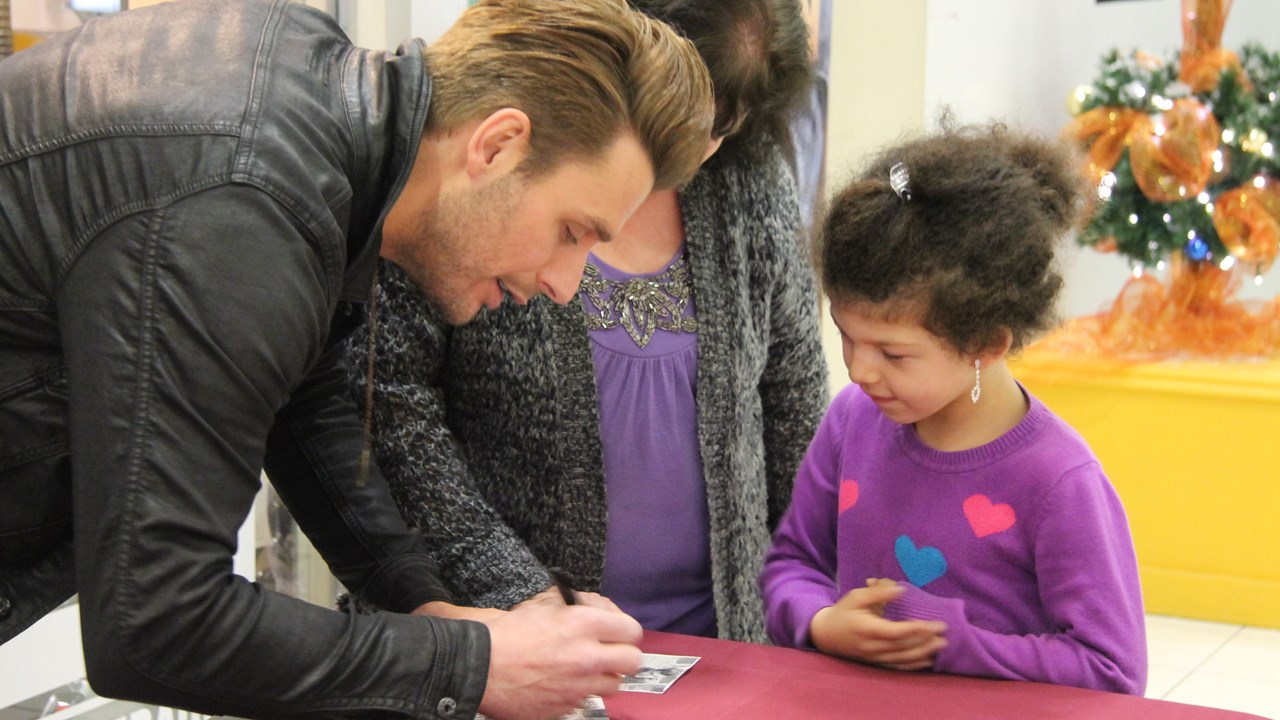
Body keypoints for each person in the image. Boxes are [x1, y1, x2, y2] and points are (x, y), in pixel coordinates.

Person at [0, 0, 715, 718]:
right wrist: (475, 667)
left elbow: (304, 403)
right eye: (572, 231)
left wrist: (433, 608)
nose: (563, 287)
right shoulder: (244, 195)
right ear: (496, 145)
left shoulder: (318, 115)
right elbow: (156, 623)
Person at [346, 0, 825, 644]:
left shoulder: (747, 181)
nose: (704, 145)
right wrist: (520, 595)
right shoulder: (472, 185)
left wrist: (810, 595)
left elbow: (793, 395)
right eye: (693, 110)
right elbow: (385, 408)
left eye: (729, 123)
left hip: (723, 644)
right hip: (500, 636)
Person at [759, 122, 1148, 695]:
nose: (860, 371)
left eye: (893, 353)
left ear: (986, 345)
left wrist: (952, 642)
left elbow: (1113, 671)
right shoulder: (850, 422)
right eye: (846, 334)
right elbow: (792, 562)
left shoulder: (1060, 481)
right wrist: (820, 623)